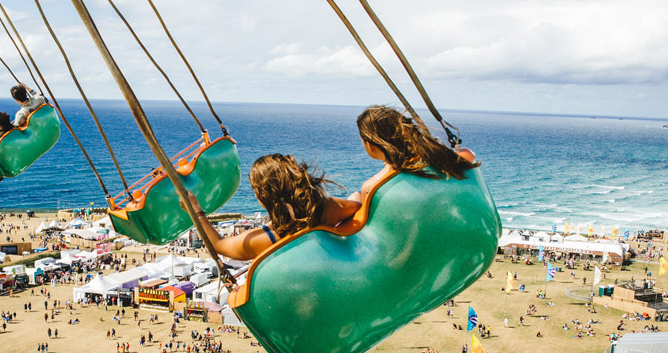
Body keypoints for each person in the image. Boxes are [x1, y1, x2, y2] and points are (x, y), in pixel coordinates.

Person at [184, 154, 360, 261]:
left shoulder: (266, 239)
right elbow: (356, 207)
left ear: (264, 196)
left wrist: (196, 211)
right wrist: (356, 196)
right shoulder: (324, 210)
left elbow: (219, 245)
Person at [348, 105, 477, 203]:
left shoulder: (373, 187)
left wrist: (355, 201)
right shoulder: (437, 162)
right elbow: (468, 156)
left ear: (370, 145)